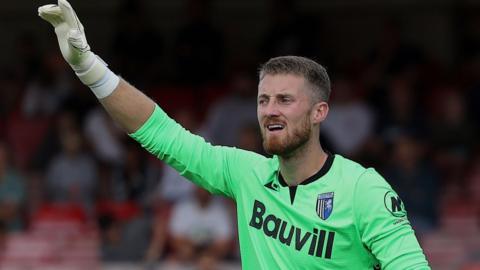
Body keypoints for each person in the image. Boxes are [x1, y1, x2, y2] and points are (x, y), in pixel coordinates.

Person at [38, 1, 431, 269]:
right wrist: (88, 66)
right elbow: (160, 133)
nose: (270, 110)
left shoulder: (364, 189)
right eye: (263, 100)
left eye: (284, 99)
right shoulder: (245, 174)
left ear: (319, 112)